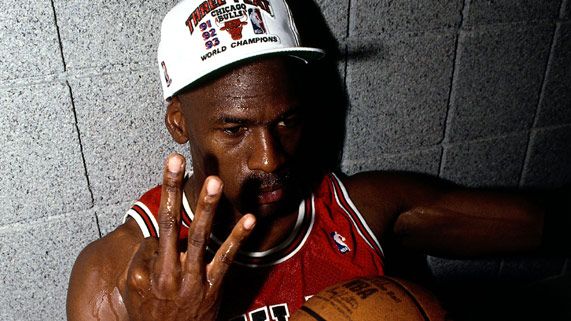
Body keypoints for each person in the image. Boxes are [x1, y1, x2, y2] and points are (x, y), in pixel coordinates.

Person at [66, 0, 569, 320]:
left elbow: (545, 224)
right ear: (179, 122)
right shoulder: (112, 276)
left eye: (287, 120)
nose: (270, 157)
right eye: (235, 129)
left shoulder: (361, 213)